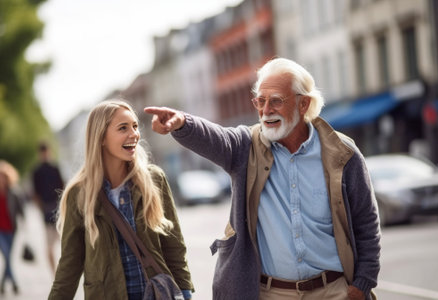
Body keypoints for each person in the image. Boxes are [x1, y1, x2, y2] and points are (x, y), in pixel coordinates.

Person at [145, 58, 381, 300]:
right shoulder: (245, 147)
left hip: (333, 291)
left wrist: (361, 285)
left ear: (303, 104)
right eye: (260, 100)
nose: (265, 110)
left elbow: (367, 224)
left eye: (276, 101)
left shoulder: (342, 153)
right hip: (271, 293)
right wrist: (183, 123)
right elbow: (216, 138)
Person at [48, 99, 194, 300]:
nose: (134, 134)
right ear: (101, 138)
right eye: (123, 128)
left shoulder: (153, 180)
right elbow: (69, 265)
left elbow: (174, 245)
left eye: (135, 126)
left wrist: (185, 292)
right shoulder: (80, 193)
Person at [0, 160, 24, 295]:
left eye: (3, 177)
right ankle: (15, 283)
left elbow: (21, 210)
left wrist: (24, 221)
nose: (1, 180)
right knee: (6, 256)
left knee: (8, 258)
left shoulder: (14, 193)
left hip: (11, 229)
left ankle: (2, 284)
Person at [32, 141, 64, 275]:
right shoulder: (37, 171)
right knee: (50, 246)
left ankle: (61, 272)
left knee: (64, 243)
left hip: (58, 210)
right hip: (47, 210)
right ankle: (55, 273)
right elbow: (35, 194)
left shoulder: (55, 168)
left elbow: (63, 188)